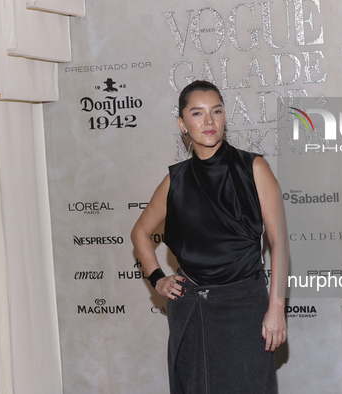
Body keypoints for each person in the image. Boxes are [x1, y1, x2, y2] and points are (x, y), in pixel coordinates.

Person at [131, 80, 288, 393]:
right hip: (192, 308)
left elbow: (280, 244)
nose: (209, 121)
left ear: (224, 116)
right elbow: (140, 232)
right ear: (182, 123)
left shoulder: (253, 168)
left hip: (245, 306)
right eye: (197, 113)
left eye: (216, 111)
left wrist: (276, 308)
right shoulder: (174, 181)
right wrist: (158, 278)